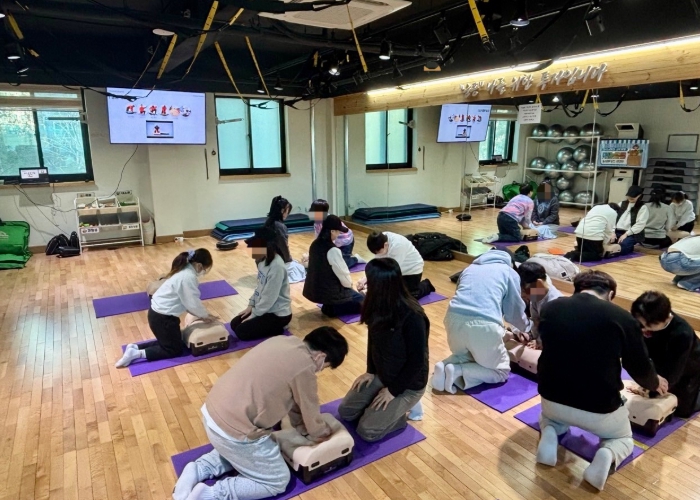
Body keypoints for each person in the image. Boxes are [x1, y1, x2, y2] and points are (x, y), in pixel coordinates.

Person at [172, 327, 349, 500]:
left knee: (242, 456)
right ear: (321, 357)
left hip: (212, 412)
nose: (319, 370)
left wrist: (301, 427)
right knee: (277, 481)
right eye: (324, 367)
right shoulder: (305, 367)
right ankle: (211, 494)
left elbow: (296, 403)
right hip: (233, 432)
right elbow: (310, 410)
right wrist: (322, 433)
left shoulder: (281, 340)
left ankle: (198, 469)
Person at [536, 271, 666, 491]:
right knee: (622, 439)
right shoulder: (622, 318)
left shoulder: (551, 308)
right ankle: (608, 453)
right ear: (611, 294)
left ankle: (550, 432)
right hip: (599, 409)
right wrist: (655, 383)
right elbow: (640, 367)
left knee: (549, 419)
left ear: (577, 289)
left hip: (552, 399)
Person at [338, 258, 429, 441]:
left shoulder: (413, 316)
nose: (365, 283)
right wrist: (370, 371)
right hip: (383, 374)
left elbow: (417, 360)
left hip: (408, 384)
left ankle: (401, 413)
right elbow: (373, 340)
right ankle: (382, 409)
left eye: (368, 279)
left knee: (367, 431)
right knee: (346, 412)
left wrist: (393, 391)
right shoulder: (375, 305)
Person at [432, 249, 529, 394]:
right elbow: (514, 311)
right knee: (500, 372)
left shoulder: (469, 269)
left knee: (465, 356)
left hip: (452, 318)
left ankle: (443, 366)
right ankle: (457, 370)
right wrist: (526, 328)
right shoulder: (509, 272)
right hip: (483, 324)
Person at [115, 249, 216, 368]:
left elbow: (187, 302)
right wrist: (205, 316)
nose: (203, 272)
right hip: (163, 319)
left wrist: (203, 315)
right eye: (205, 269)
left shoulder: (183, 270)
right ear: (199, 265)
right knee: (174, 350)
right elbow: (192, 302)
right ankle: (137, 354)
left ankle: (135, 347)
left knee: (170, 342)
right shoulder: (188, 277)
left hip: (157, 315)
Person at [631, 291, 700, 418]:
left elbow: (674, 373)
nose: (643, 329)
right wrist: (647, 380)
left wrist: (651, 389)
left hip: (688, 366)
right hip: (659, 359)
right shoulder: (644, 319)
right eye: (641, 324)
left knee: (681, 411)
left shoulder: (682, 333)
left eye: (648, 326)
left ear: (667, 318)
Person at [229, 227, 292, 341]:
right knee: (234, 324)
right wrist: (251, 306)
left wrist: (254, 315)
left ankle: (279, 328)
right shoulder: (263, 262)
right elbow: (260, 287)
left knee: (241, 332)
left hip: (278, 315)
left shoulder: (276, 267)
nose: (252, 250)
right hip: (265, 310)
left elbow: (269, 297)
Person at [303, 215, 364, 317]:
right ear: (332, 231)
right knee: (365, 302)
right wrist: (350, 287)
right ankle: (334, 308)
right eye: (338, 231)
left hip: (315, 292)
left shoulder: (314, 244)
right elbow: (343, 275)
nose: (339, 233)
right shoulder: (332, 250)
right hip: (331, 294)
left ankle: (331, 307)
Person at [359, 231, 434, 300]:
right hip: (396, 268)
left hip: (412, 269)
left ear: (386, 245)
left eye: (379, 252)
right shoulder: (379, 241)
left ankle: (426, 285)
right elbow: (378, 264)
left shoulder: (398, 246)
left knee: (406, 298)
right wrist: (366, 278)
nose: (377, 254)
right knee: (388, 294)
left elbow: (392, 271)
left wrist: (372, 287)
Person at [516, 261, 562, 348]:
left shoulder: (555, 302)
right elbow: (535, 319)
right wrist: (530, 334)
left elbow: (552, 330)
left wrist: (540, 341)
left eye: (525, 292)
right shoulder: (536, 296)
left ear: (539, 284)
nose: (523, 295)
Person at [309, 199, 365, 268]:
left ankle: (356, 259)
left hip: (345, 242)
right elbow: (318, 237)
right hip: (334, 242)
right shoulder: (317, 220)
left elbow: (332, 239)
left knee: (340, 265)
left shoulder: (330, 220)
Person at [615, 185, 648, 255]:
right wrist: (612, 231)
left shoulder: (643, 207)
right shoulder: (621, 204)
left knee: (623, 246)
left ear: (639, 196)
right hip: (617, 231)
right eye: (629, 196)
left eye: (633, 197)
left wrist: (626, 234)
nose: (630, 198)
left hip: (631, 234)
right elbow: (613, 218)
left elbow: (640, 224)